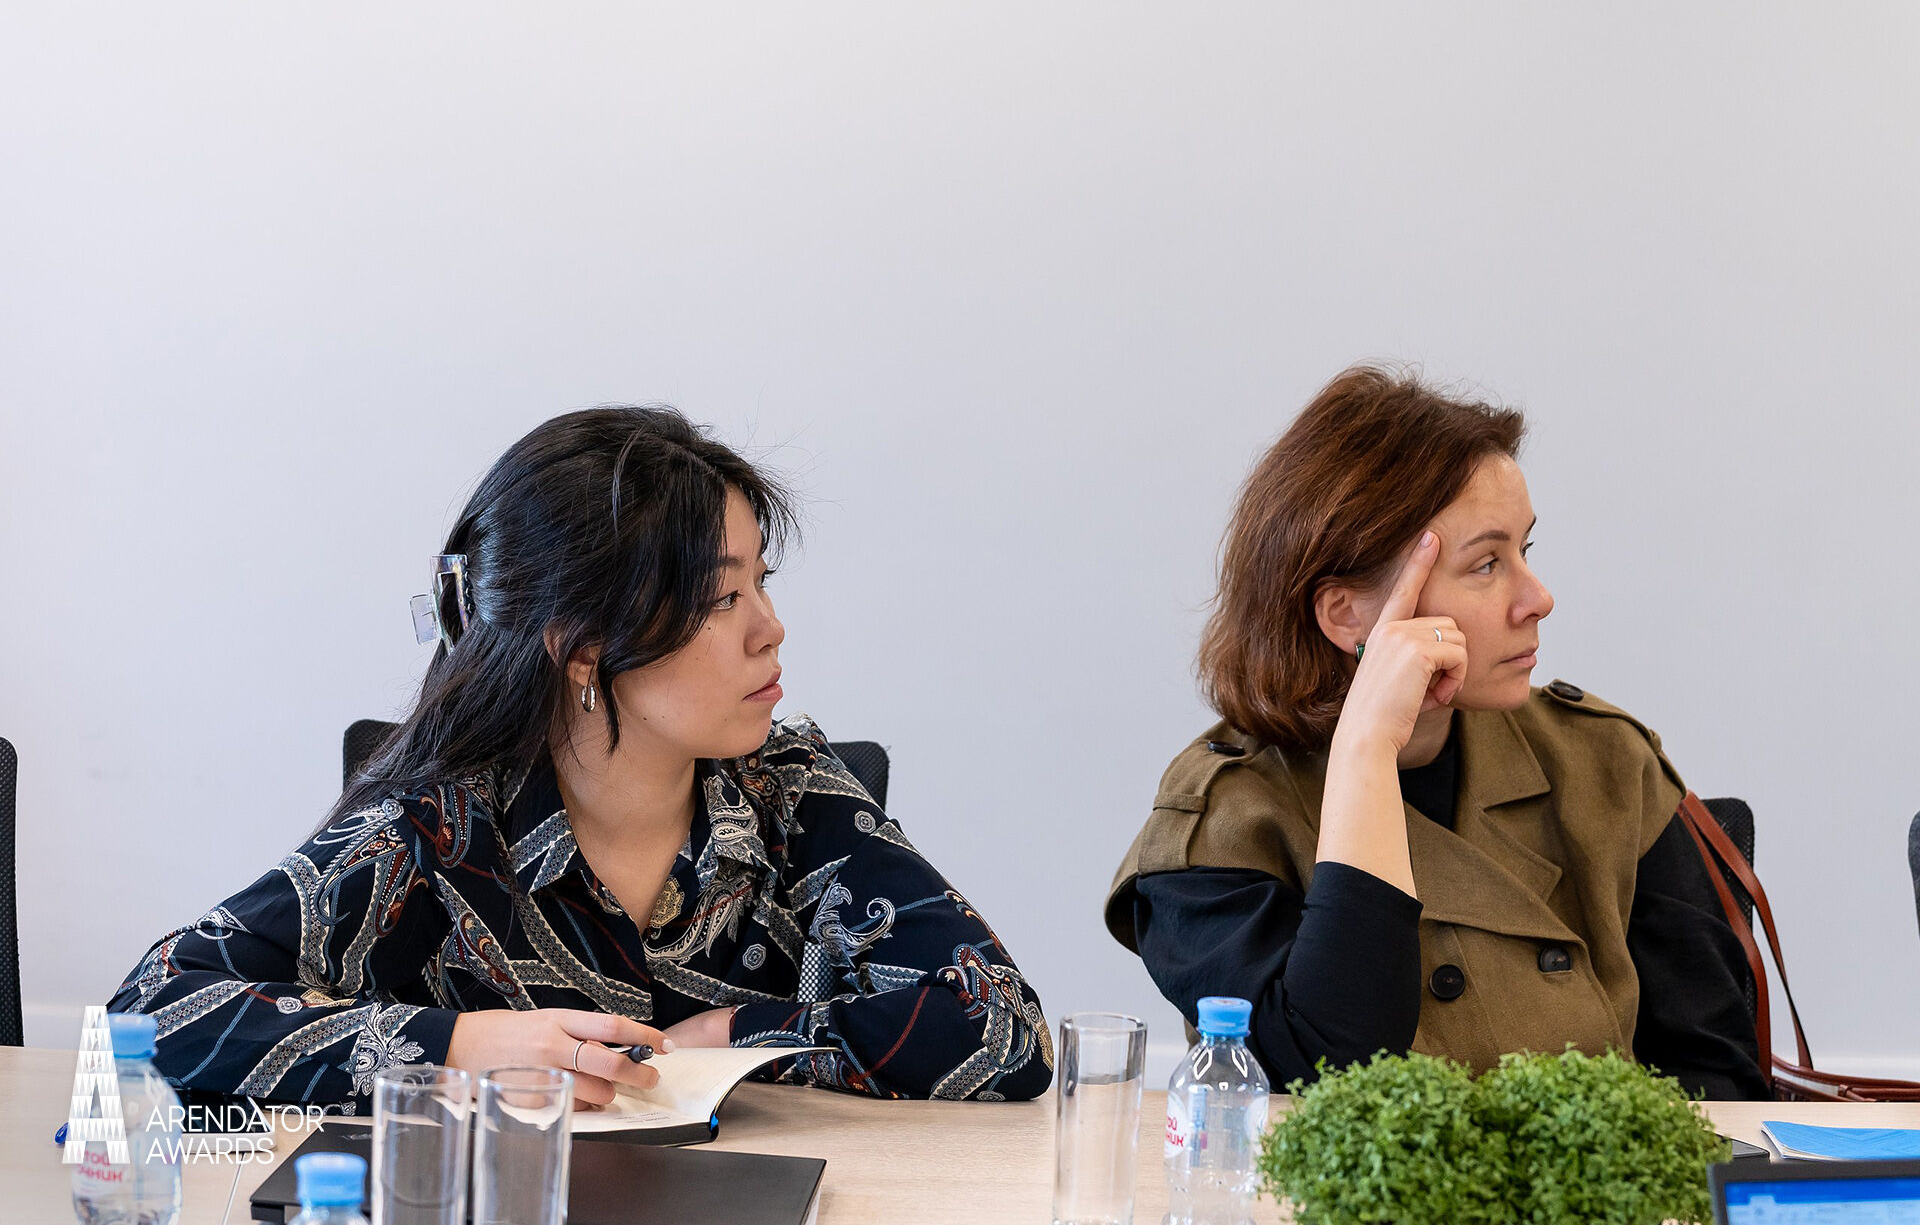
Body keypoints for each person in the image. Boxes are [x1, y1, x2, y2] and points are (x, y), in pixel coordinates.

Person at [110, 407, 1052, 1110]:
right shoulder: (439, 831)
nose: (771, 630)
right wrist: (457, 1048)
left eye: (762, 583)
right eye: (723, 599)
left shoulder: (792, 793)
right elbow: (146, 1017)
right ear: (584, 648)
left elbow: (1004, 1028)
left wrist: (740, 1033)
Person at [1105, 366, 1766, 1100]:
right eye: (1485, 564)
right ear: (1346, 615)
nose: (1538, 599)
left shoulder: (1604, 763)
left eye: (1525, 552)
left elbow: (1718, 1086)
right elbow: (1324, 1074)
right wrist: (1366, 749)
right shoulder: (1220, 825)